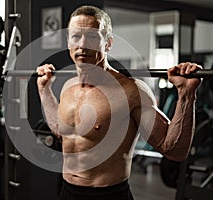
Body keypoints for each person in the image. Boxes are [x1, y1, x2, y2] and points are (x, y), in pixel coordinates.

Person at [36, 5, 202, 200]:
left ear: (108, 43)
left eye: (92, 37)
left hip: (108, 195)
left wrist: (185, 95)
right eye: (75, 36)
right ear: (68, 42)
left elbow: (174, 150)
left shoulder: (131, 91)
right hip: (67, 192)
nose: (82, 44)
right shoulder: (68, 86)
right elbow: (61, 130)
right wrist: (44, 89)